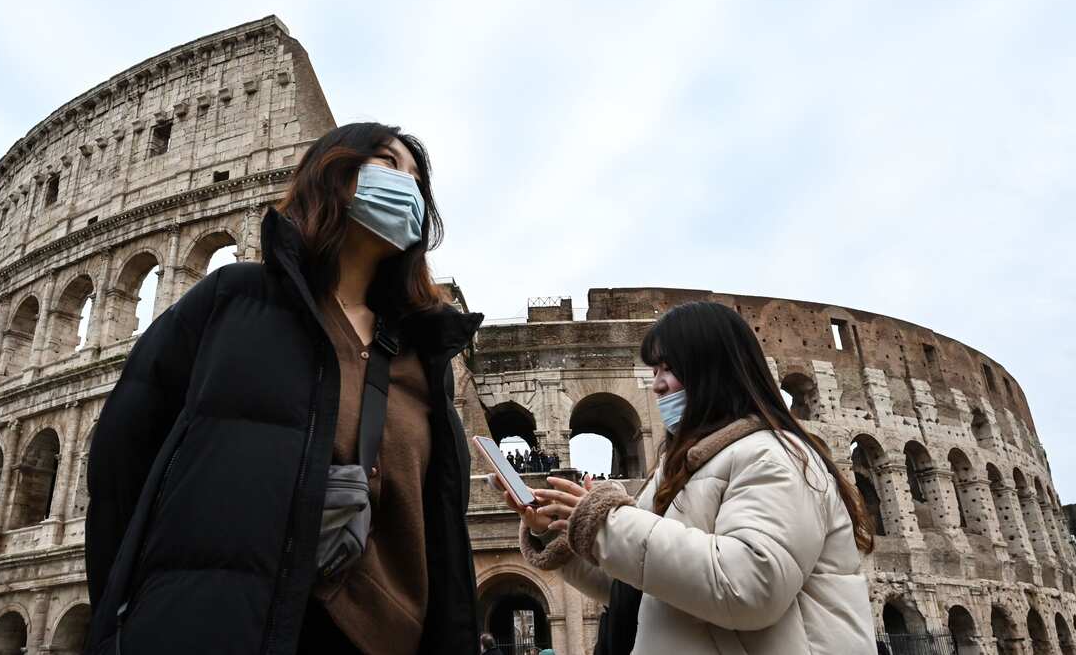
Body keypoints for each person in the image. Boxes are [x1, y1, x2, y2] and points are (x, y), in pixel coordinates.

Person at [83, 123, 485, 655]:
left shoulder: (423, 357)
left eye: (418, 180)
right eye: (388, 164)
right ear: (333, 170)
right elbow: (121, 462)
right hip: (225, 624)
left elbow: (438, 528)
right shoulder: (232, 300)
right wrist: (136, 617)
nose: (406, 186)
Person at [490, 301, 876, 654]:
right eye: (654, 370)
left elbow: (752, 586)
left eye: (668, 368)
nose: (657, 384)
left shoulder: (774, 457)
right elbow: (633, 587)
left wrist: (605, 521)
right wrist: (557, 532)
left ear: (713, 369)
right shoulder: (678, 473)